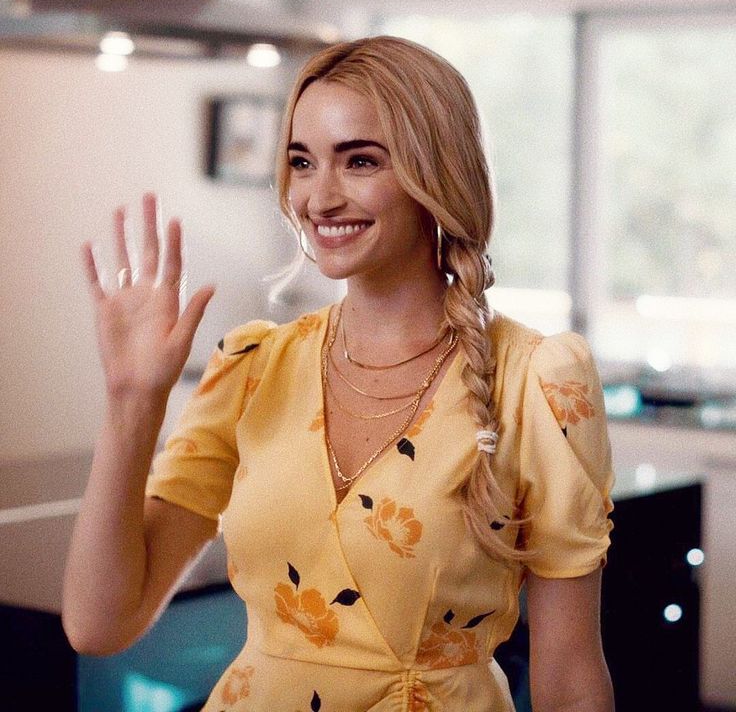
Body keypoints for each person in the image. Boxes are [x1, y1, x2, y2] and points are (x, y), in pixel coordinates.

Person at [63, 36, 615, 711]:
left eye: (359, 160)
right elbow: (99, 624)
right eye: (301, 161)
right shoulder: (253, 367)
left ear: (434, 172)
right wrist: (131, 401)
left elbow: (570, 675)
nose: (319, 197)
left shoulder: (538, 380)